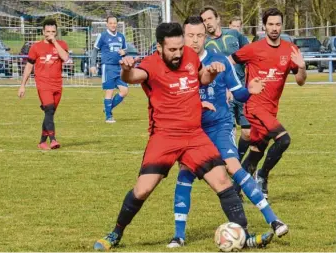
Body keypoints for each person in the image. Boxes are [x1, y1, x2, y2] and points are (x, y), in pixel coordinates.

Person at [92, 22, 273, 251]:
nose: (178, 54)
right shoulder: (150, 64)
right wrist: (126, 68)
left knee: (223, 182)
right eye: (172, 50)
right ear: (159, 47)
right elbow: (133, 76)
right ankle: (115, 233)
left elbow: (200, 78)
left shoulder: (188, 55)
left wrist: (210, 72)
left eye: (180, 48)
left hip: (194, 136)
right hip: (165, 137)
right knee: (143, 189)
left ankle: (243, 236)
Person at [167, 16, 288, 249]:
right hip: (192, 130)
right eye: (190, 36)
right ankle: (178, 235)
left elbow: (238, 94)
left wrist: (250, 91)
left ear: (206, 36)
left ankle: (272, 219)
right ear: (183, 37)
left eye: (199, 35)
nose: (194, 40)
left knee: (234, 167)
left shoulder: (220, 60)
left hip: (219, 127)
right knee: (184, 174)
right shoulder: (178, 64)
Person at [229, 8, 307, 200]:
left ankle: (234, 191)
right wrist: (229, 86)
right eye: (270, 24)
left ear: (282, 25)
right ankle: (262, 175)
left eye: (278, 24)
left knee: (256, 151)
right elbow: (229, 61)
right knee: (284, 139)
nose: (274, 28)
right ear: (264, 26)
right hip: (254, 106)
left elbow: (300, 81)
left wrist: (302, 67)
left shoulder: (290, 50)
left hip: (271, 110)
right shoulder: (254, 48)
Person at [200, 6, 251, 163]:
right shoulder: (205, 45)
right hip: (223, 93)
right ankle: (232, 163)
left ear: (217, 19)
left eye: (209, 18)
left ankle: (238, 161)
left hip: (241, 88)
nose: (207, 23)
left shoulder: (234, 34)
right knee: (229, 130)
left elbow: (249, 53)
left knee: (248, 132)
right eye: (203, 20)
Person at [18, 19, 69, 150]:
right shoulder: (35, 47)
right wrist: (22, 85)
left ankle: (42, 142)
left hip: (57, 84)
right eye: (47, 31)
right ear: (43, 32)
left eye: (53, 31)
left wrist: (55, 42)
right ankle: (53, 140)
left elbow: (65, 58)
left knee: (49, 113)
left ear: (56, 32)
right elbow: (29, 67)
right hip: (43, 84)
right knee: (50, 109)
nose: (50, 34)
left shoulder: (62, 44)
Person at [90, 15, 128, 123]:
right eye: (110, 23)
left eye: (114, 23)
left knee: (124, 91)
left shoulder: (121, 36)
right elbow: (95, 50)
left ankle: (108, 108)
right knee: (109, 91)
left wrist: (124, 52)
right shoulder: (102, 36)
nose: (113, 25)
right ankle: (108, 116)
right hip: (108, 67)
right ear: (107, 24)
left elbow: (125, 50)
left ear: (117, 24)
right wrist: (93, 64)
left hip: (119, 67)